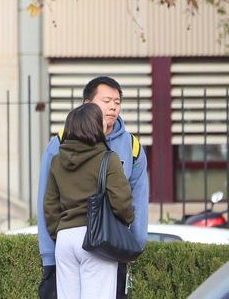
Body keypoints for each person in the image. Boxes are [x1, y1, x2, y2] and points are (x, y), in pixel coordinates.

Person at [37, 76, 149, 299]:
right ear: (87, 105)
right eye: (106, 101)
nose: (112, 107)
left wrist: (58, 234)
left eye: (117, 102)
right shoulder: (105, 156)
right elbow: (126, 203)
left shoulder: (131, 146)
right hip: (102, 243)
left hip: (66, 240)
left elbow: (49, 204)